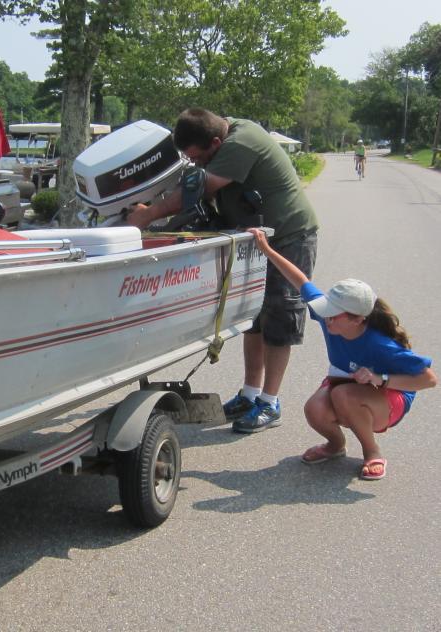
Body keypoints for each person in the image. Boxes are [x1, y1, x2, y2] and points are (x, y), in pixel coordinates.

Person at [126, 108, 319, 433]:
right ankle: (250, 394)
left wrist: (149, 215)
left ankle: (270, 403)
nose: (199, 165)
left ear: (216, 141)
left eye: (200, 158)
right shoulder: (222, 138)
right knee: (253, 319)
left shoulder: (242, 142)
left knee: (279, 317)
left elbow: (199, 189)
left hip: (288, 237)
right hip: (254, 238)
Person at [248, 227, 436, 479]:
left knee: (344, 395)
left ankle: (372, 452)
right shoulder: (331, 318)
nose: (326, 319)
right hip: (346, 385)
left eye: (333, 314)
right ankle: (335, 446)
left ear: (357, 319)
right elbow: (301, 281)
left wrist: (380, 379)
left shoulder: (381, 344)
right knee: (314, 408)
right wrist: (267, 250)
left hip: (389, 396)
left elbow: (429, 379)